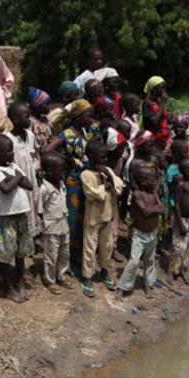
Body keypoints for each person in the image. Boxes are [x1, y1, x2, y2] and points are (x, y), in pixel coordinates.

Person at [42, 99, 95, 276]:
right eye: (88, 115)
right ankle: (68, 260)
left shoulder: (87, 133)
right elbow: (47, 150)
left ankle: (79, 256)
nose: (92, 118)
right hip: (73, 183)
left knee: (83, 219)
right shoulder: (67, 134)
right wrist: (65, 159)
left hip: (87, 182)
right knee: (71, 221)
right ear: (78, 117)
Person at [0, 135, 35, 303]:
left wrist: (14, 177)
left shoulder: (13, 166)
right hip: (6, 217)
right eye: (8, 150)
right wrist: (16, 178)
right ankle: (7, 287)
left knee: (21, 251)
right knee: (5, 253)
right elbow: (6, 189)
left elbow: (29, 185)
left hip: (21, 214)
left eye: (12, 149)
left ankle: (20, 281)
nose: (12, 153)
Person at [80, 141, 123, 297]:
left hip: (107, 217)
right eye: (102, 156)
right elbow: (93, 194)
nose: (105, 159)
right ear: (91, 156)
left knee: (107, 246)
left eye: (106, 156)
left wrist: (109, 174)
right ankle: (87, 277)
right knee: (90, 248)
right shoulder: (85, 175)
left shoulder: (108, 171)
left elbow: (119, 186)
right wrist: (106, 186)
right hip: (92, 218)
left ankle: (104, 272)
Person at [119, 163, 166, 298]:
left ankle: (147, 284)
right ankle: (123, 287)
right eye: (152, 179)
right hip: (139, 235)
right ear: (143, 181)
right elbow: (145, 211)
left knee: (149, 261)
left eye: (155, 179)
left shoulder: (154, 194)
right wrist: (155, 209)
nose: (155, 181)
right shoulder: (137, 194)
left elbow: (163, 209)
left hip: (152, 233)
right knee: (134, 261)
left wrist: (154, 210)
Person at [38, 151, 74, 295]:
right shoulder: (44, 188)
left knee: (64, 252)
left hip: (63, 225)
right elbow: (40, 210)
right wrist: (45, 225)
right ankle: (50, 279)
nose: (63, 172)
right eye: (61, 170)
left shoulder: (61, 183)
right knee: (51, 255)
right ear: (49, 171)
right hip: (51, 227)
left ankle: (61, 275)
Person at [6, 102, 42, 236]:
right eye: (27, 117)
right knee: (23, 207)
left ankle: (34, 235)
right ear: (15, 119)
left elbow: (36, 155)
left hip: (32, 177)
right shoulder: (8, 139)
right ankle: (24, 237)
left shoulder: (30, 136)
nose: (30, 120)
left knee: (35, 203)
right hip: (19, 181)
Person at [166, 157, 189, 284]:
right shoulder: (181, 184)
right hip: (182, 219)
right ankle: (172, 270)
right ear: (187, 172)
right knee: (177, 246)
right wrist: (180, 224)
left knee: (188, 245)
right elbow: (177, 205)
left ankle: (182, 268)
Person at [143, 76, 171, 150]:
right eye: (162, 88)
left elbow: (163, 118)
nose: (164, 90)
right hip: (154, 141)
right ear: (154, 89)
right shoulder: (147, 104)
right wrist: (163, 103)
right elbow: (154, 121)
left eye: (165, 88)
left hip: (164, 139)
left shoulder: (158, 102)